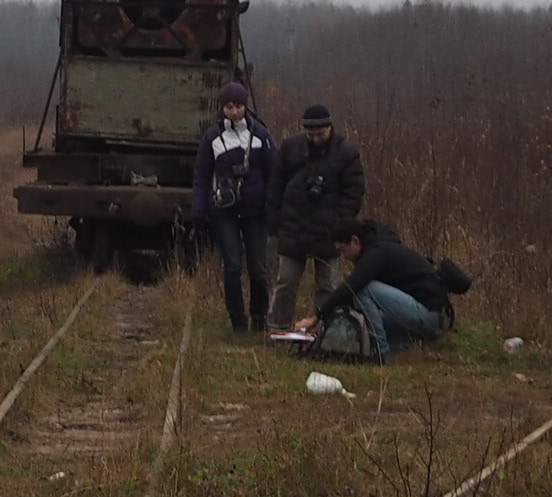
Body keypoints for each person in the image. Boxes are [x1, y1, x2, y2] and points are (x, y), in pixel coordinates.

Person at [299, 218, 472, 360]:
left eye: (343, 250)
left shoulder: (376, 253)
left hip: (430, 315)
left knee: (365, 289)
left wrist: (316, 317)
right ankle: (406, 343)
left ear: (355, 241)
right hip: (432, 314)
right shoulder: (378, 246)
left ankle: (380, 353)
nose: (342, 257)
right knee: (364, 312)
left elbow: (352, 286)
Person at [188, 81, 275, 336]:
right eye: (229, 107)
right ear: (222, 108)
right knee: (233, 266)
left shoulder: (261, 135)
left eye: (237, 106)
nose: (234, 112)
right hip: (223, 210)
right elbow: (202, 177)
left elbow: (274, 173)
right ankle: (238, 322)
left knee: (258, 268)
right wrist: (198, 213)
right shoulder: (212, 138)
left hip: (256, 210)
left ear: (244, 106)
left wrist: (274, 208)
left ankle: (259, 318)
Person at [268, 104, 364, 329]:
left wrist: (340, 224)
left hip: (329, 233)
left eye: (320, 134)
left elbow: (354, 193)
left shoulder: (346, 153)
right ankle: (277, 327)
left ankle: (325, 329)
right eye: (310, 135)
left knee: (328, 285)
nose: (315, 139)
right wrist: (274, 224)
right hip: (294, 228)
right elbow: (275, 187)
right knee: (286, 282)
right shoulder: (291, 148)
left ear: (330, 128)